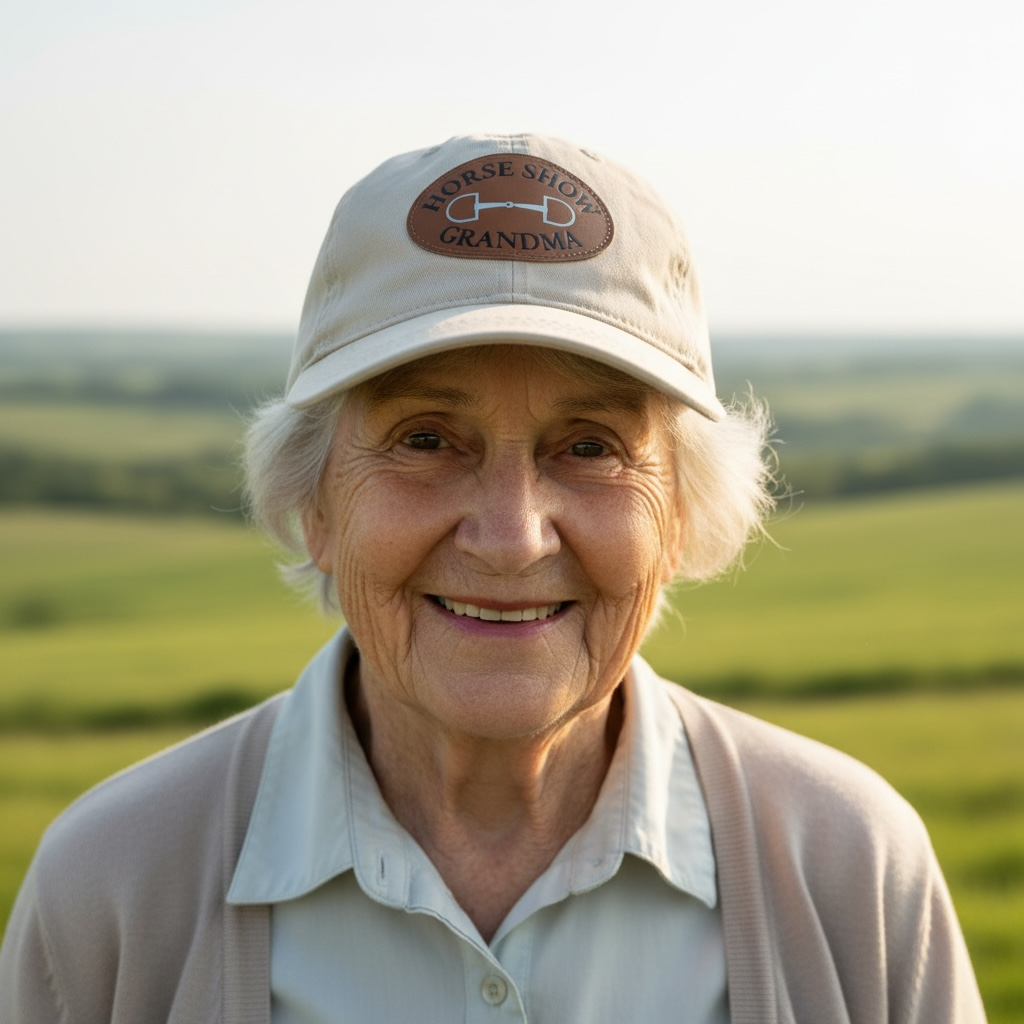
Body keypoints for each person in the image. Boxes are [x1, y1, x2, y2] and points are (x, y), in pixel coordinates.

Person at [0, 133, 986, 1023]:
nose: (512, 538)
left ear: (681, 512)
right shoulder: (112, 886)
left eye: (591, 447)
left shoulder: (850, 872)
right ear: (314, 505)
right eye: (425, 439)